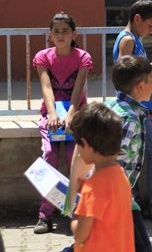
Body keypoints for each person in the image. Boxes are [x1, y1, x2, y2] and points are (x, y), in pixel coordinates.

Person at [112, 0, 152, 225]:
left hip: (139, 107)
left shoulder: (133, 39)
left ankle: (136, 205)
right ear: (137, 18)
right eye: (150, 24)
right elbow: (124, 72)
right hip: (133, 107)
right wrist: (151, 77)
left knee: (137, 156)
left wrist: (150, 70)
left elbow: (133, 69)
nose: (151, 30)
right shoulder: (128, 40)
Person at [32, 12, 93, 234]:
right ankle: (45, 213)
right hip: (51, 117)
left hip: (75, 116)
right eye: (56, 31)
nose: (60, 35)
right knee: (50, 157)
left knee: (73, 160)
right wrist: (52, 114)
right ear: (50, 35)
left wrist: (72, 114)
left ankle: (76, 211)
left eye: (65, 31)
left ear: (73, 33)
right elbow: (47, 87)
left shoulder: (82, 57)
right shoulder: (43, 57)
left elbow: (78, 90)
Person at [106, 56, 152, 251]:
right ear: (140, 86)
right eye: (150, 79)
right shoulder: (130, 118)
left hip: (120, 195)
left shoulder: (114, 105)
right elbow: (112, 156)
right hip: (116, 195)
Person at [69, 103, 134, 252]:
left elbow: (81, 233)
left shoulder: (92, 189)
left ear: (84, 144)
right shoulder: (120, 176)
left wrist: (74, 216)